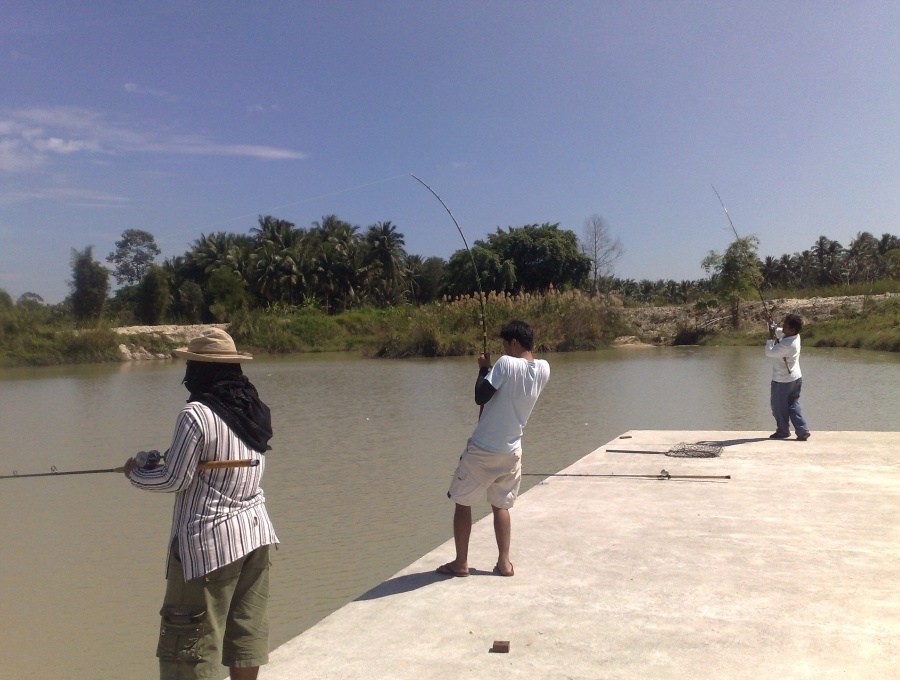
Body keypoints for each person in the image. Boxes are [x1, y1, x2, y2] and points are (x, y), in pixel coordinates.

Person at [124, 328, 278, 680]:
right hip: (256, 533)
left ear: (199, 369)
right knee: (246, 629)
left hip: (208, 544)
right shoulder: (254, 409)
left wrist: (135, 473)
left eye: (192, 364)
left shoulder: (196, 414)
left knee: (190, 642)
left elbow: (173, 479)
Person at [437, 320, 550, 579]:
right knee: (501, 506)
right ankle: (504, 563)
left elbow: (480, 396)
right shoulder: (544, 369)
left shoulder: (505, 364)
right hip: (512, 450)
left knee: (462, 502)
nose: (504, 350)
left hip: (484, 449)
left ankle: (461, 563)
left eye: (505, 345)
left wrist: (483, 369)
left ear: (514, 343)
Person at [765, 313, 811, 441]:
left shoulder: (788, 345)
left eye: (785, 326)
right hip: (795, 378)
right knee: (792, 404)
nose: (782, 328)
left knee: (778, 406)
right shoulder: (795, 337)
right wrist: (771, 325)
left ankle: (783, 431)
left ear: (792, 330)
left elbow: (769, 352)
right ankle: (802, 430)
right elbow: (779, 332)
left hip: (782, 381)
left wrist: (770, 336)